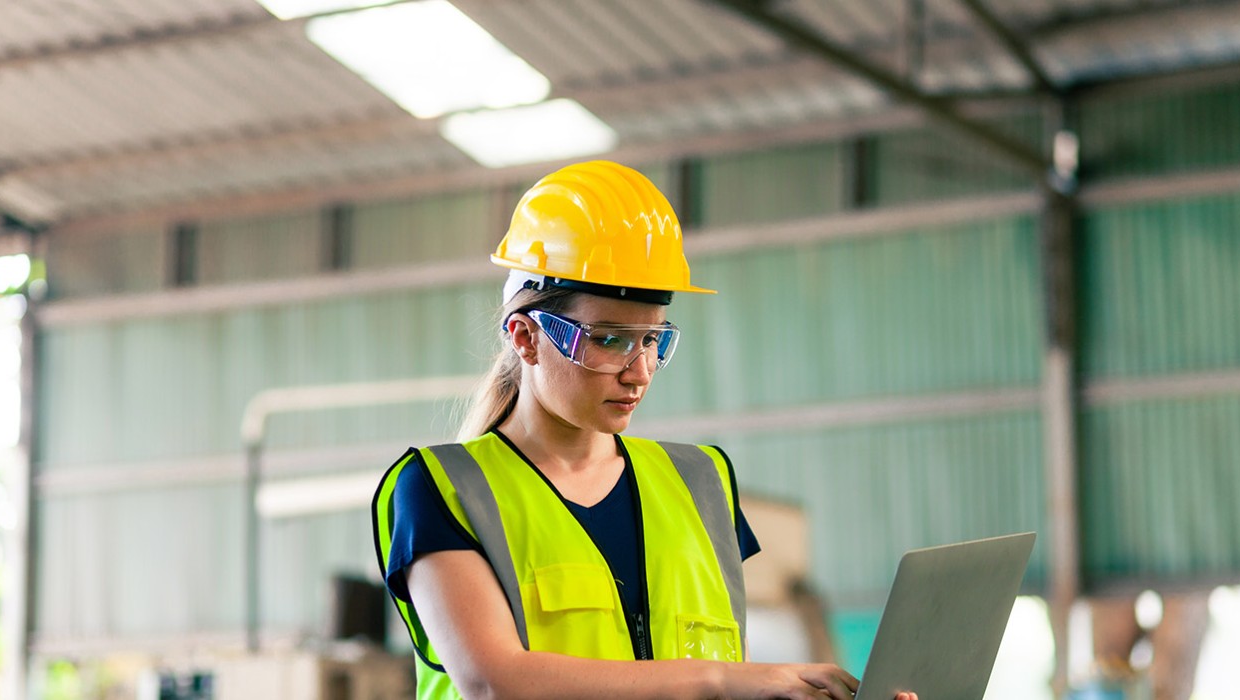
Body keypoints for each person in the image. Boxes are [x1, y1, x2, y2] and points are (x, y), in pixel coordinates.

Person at [373, 161, 916, 700]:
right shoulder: (444, 490)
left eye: (653, 340)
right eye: (609, 340)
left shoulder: (701, 482)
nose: (639, 372)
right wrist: (724, 681)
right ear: (525, 337)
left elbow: (725, 677)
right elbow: (495, 682)